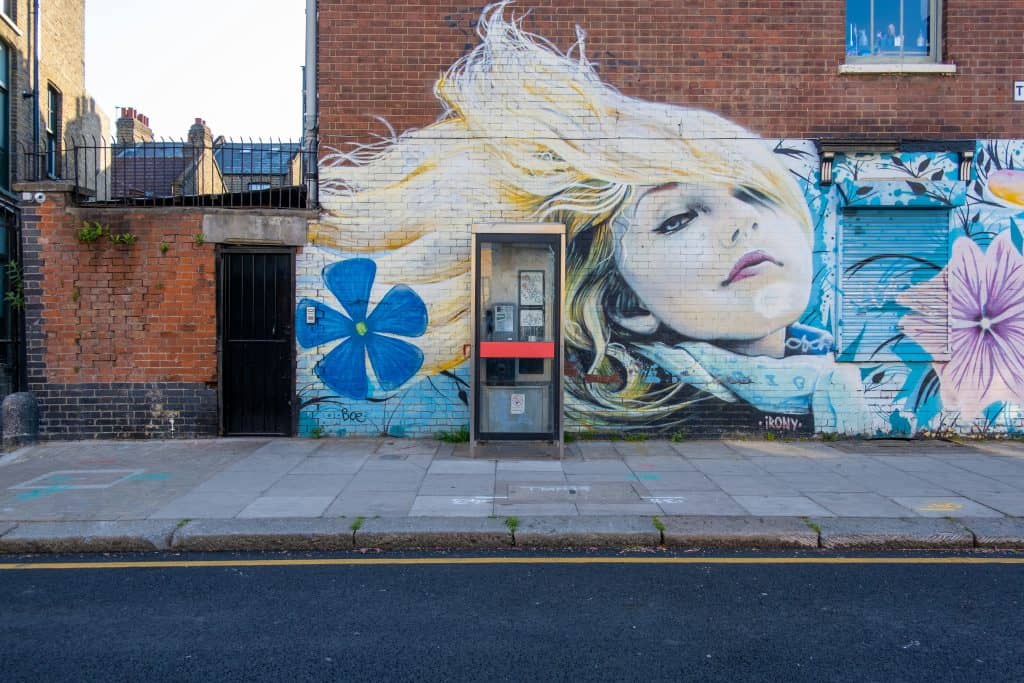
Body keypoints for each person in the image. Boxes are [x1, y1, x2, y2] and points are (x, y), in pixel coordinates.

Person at [310, 3, 866, 434]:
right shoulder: (676, 414)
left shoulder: (827, 380)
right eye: (677, 220)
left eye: (752, 192)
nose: (743, 223)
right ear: (627, 306)